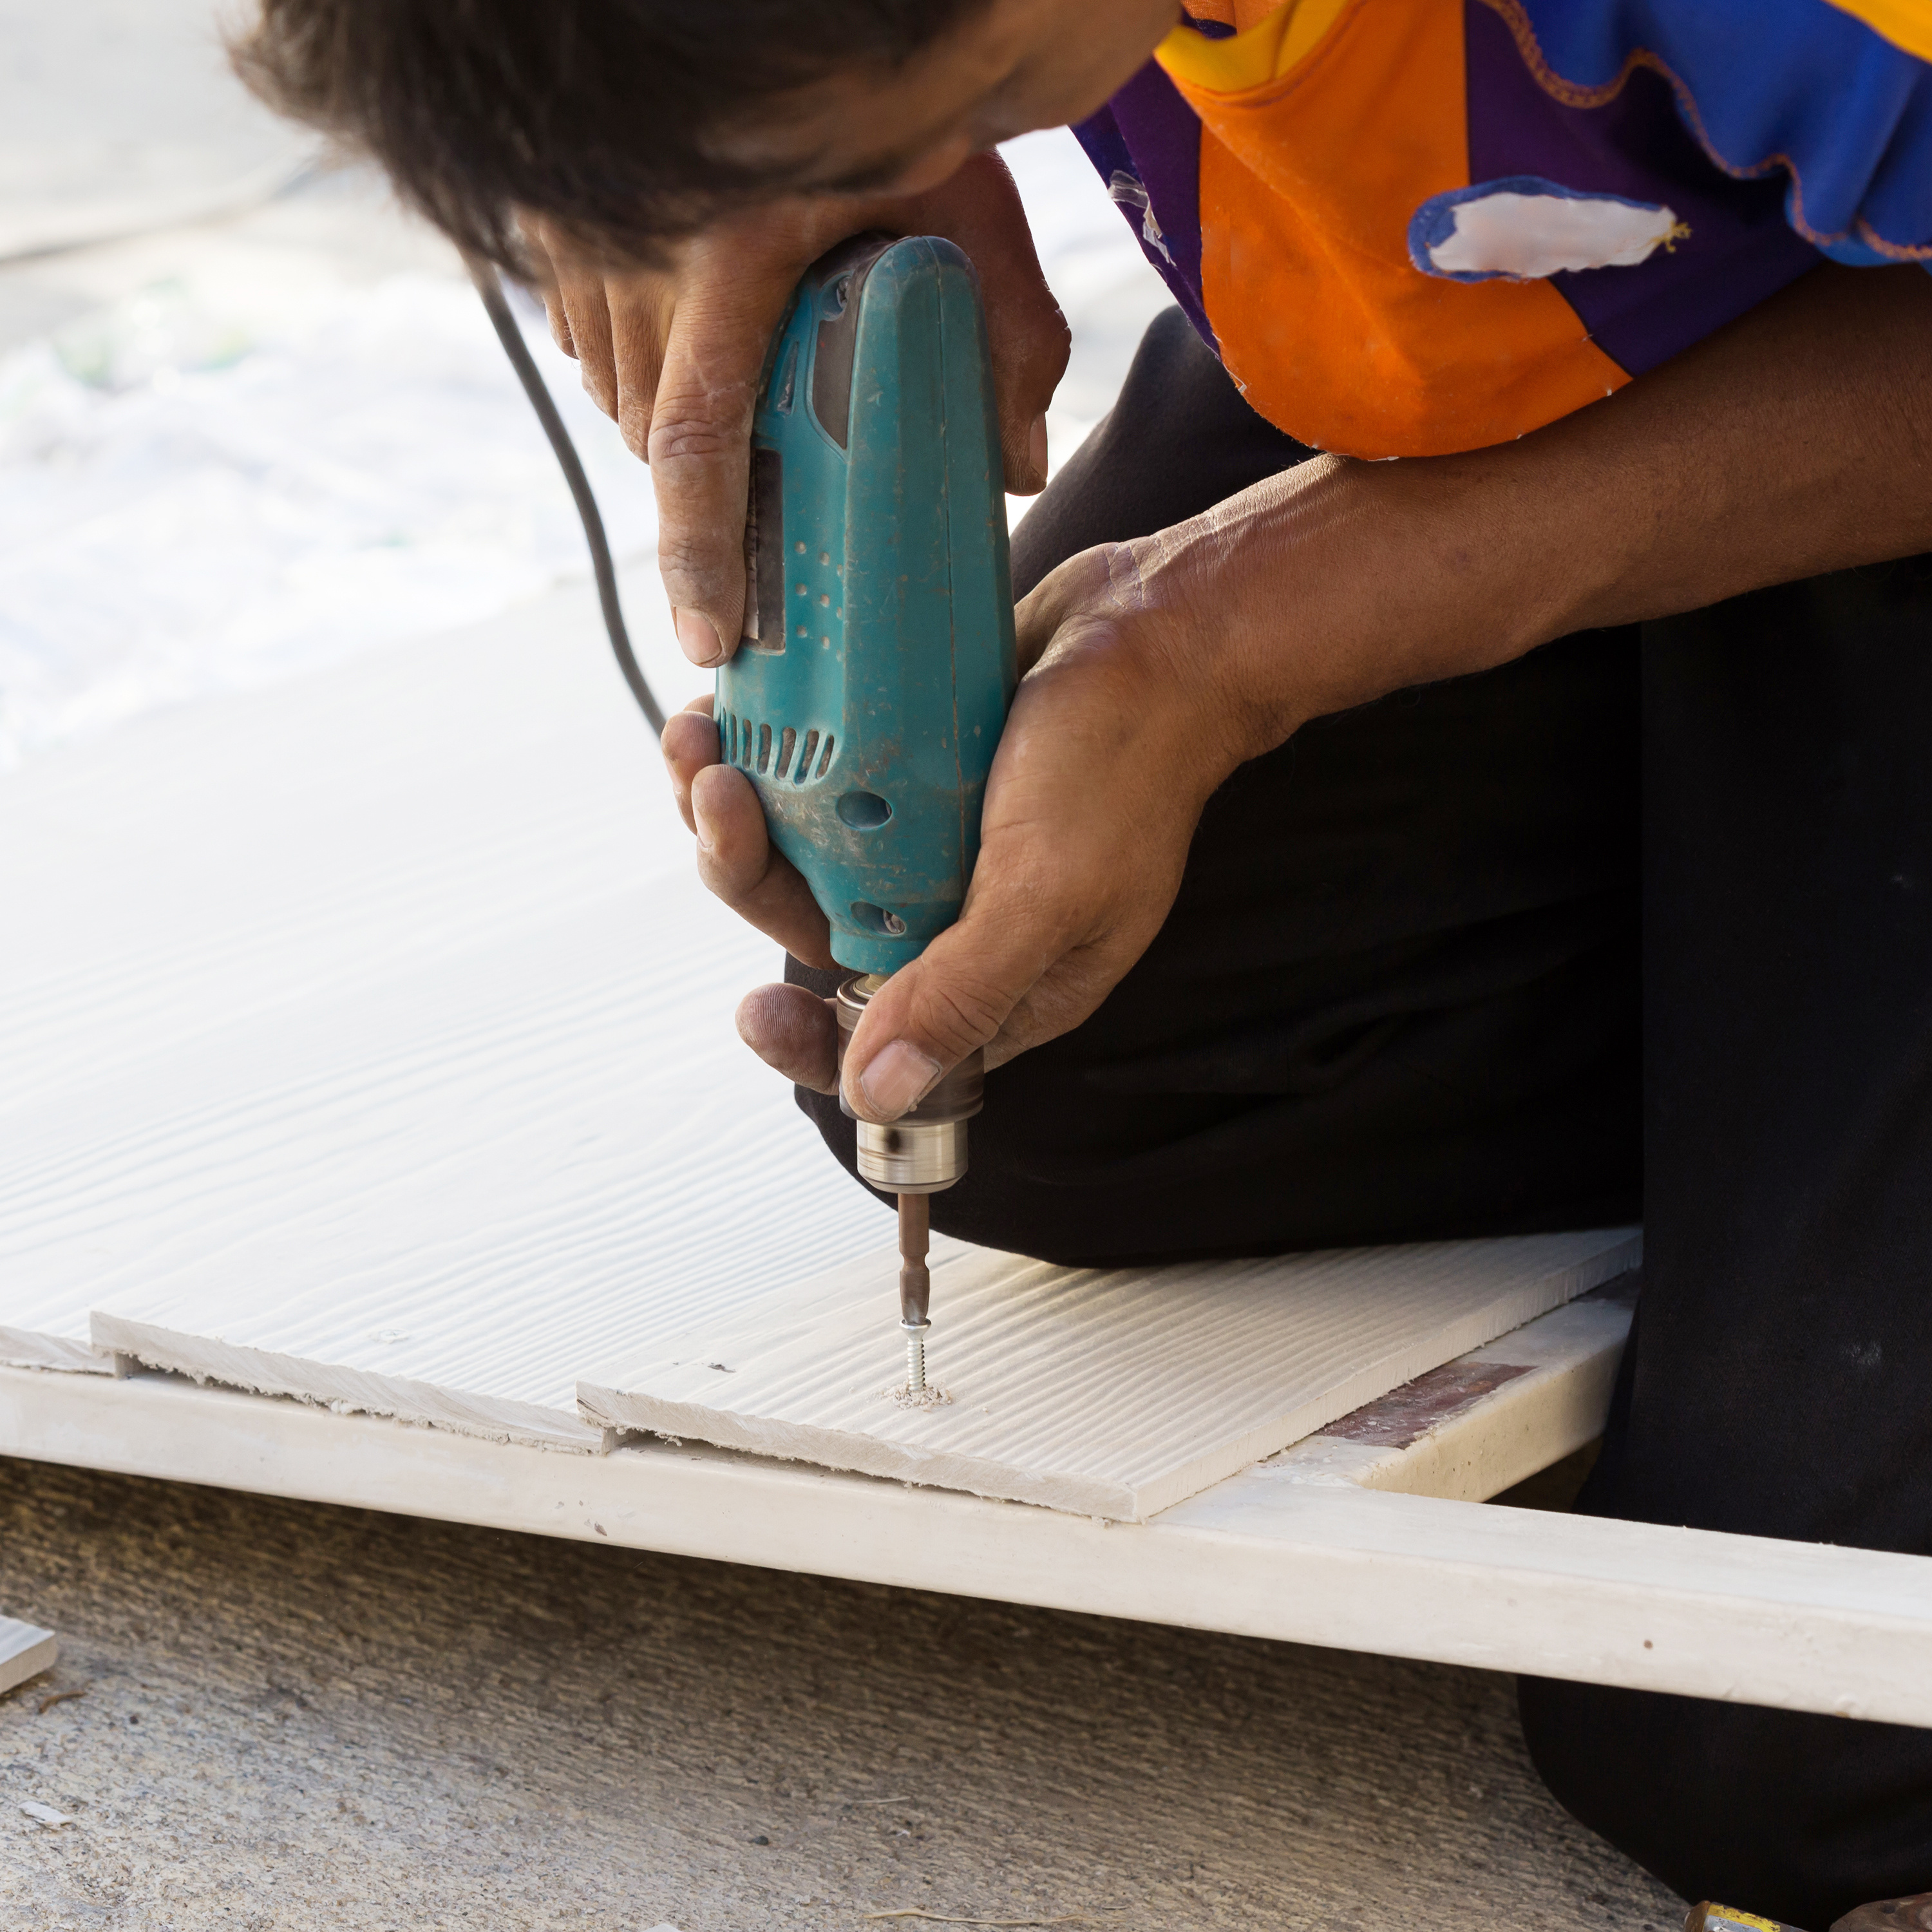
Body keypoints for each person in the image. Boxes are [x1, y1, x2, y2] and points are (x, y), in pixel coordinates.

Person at [232, 1, 1932, 1921]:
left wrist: (1230, 636)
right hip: (1599, 282)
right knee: (1084, 1055)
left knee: (1810, 1733)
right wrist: (778, 140)